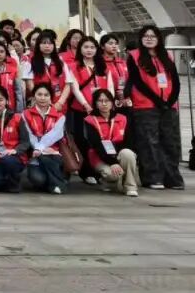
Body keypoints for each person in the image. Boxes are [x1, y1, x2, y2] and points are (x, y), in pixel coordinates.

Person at [125, 24, 184, 190]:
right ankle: (153, 177)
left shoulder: (167, 56)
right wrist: (157, 100)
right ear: (141, 39)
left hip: (169, 106)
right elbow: (138, 82)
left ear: (158, 39)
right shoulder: (134, 56)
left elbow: (176, 81)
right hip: (145, 105)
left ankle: (172, 178)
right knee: (149, 142)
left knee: (170, 142)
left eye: (153, 36)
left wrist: (170, 101)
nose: (149, 39)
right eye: (146, 36)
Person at [66, 36, 113, 185]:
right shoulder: (73, 66)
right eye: (86, 47)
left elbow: (110, 86)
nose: (89, 50)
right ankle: (86, 172)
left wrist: (108, 104)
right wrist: (86, 105)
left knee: (98, 141)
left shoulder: (103, 66)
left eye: (92, 47)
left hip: (101, 110)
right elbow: (75, 88)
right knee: (81, 140)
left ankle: (100, 170)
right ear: (80, 49)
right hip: (81, 110)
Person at [85, 89, 139, 197]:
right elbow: (96, 145)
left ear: (112, 102)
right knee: (112, 174)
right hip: (100, 157)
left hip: (119, 154)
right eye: (100, 101)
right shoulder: (89, 120)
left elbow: (129, 142)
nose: (104, 104)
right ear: (95, 103)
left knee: (128, 153)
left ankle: (130, 187)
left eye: (107, 100)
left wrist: (117, 159)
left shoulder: (122, 118)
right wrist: (112, 162)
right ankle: (107, 181)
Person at [23, 83, 68, 194]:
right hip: (34, 154)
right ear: (34, 96)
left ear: (51, 97)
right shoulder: (25, 114)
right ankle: (56, 182)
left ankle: (54, 182)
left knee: (50, 161)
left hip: (54, 153)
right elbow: (28, 135)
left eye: (46, 95)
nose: (42, 98)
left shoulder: (60, 116)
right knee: (38, 180)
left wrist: (41, 148)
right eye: (39, 94)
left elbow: (56, 134)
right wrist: (39, 149)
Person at [22, 31, 70, 115]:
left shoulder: (61, 61)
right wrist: (43, 99)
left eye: (50, 43)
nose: (47, 46)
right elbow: (30, 84)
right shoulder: (30, 62)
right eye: (44, 43)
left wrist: (60, 103)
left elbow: (68, 84)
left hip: (59, 104)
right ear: (38, 45)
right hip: (40, 103)